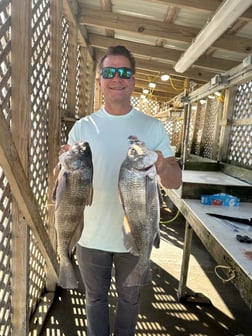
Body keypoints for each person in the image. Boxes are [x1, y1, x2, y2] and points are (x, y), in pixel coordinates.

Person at [64, 45, 182, 336]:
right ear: (100, 81)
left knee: (130, 300)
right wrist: (62, 165)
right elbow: (67, 183)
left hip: (137, 235)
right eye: (110, 72)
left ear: (133, 79)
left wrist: (159, 162)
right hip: (90, 235)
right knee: (95, 300)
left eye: (124, 72)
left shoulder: (153, 127)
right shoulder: (83, 126)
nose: (117, 78)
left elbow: (175, 180)